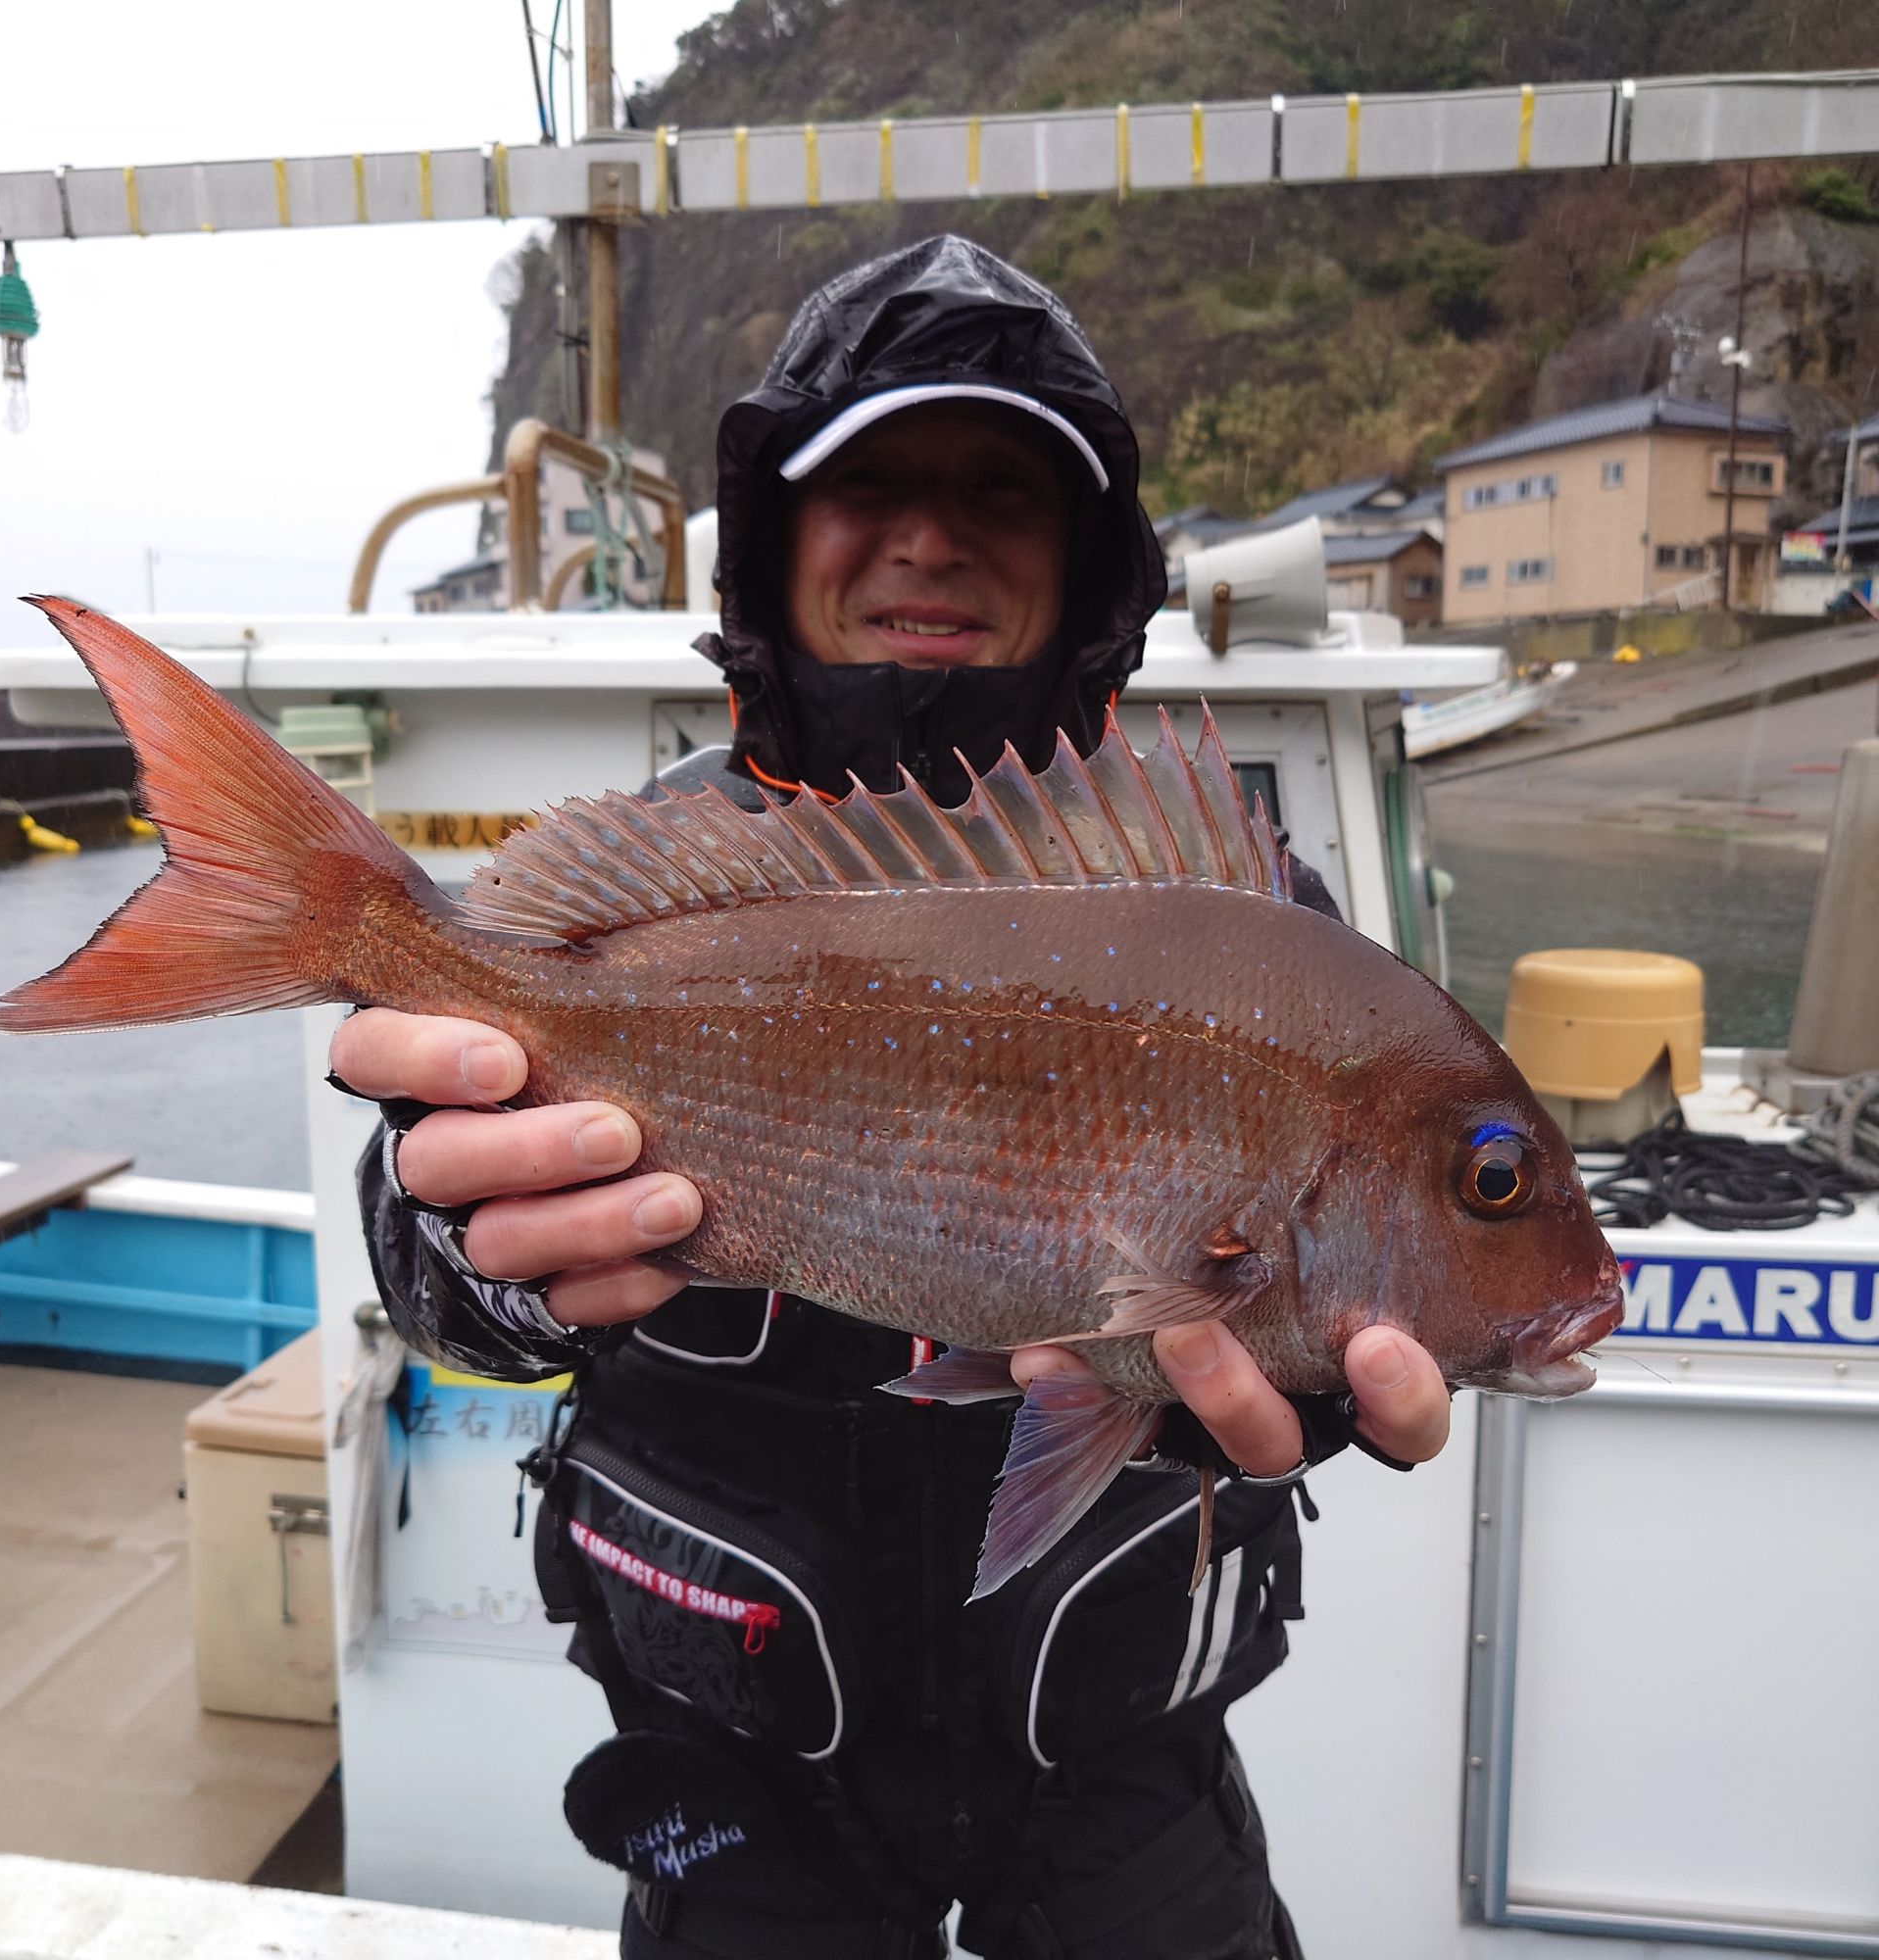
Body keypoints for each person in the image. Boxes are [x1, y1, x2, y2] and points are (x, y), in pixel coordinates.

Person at [332, 235, 1450, 1960]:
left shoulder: (1246, 927)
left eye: (1000, 489)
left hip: (1115, 1757)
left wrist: (1339, 1376)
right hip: (738, 1748)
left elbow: (1373, 1278)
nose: (931, 534)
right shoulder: (661, 893)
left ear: (1086, 564)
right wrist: (468, 1251)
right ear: (772, 540)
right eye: (868, 484)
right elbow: (428, 1275)